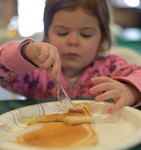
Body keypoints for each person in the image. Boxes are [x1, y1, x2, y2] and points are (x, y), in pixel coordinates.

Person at [0, 0, 141, 114]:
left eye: (86, 34)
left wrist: (131, 90)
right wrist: (25, 53)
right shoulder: (35, 72)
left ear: (102, 39)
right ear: (47, 36)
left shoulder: (111, 67)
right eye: (62, 33)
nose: (73, 41)